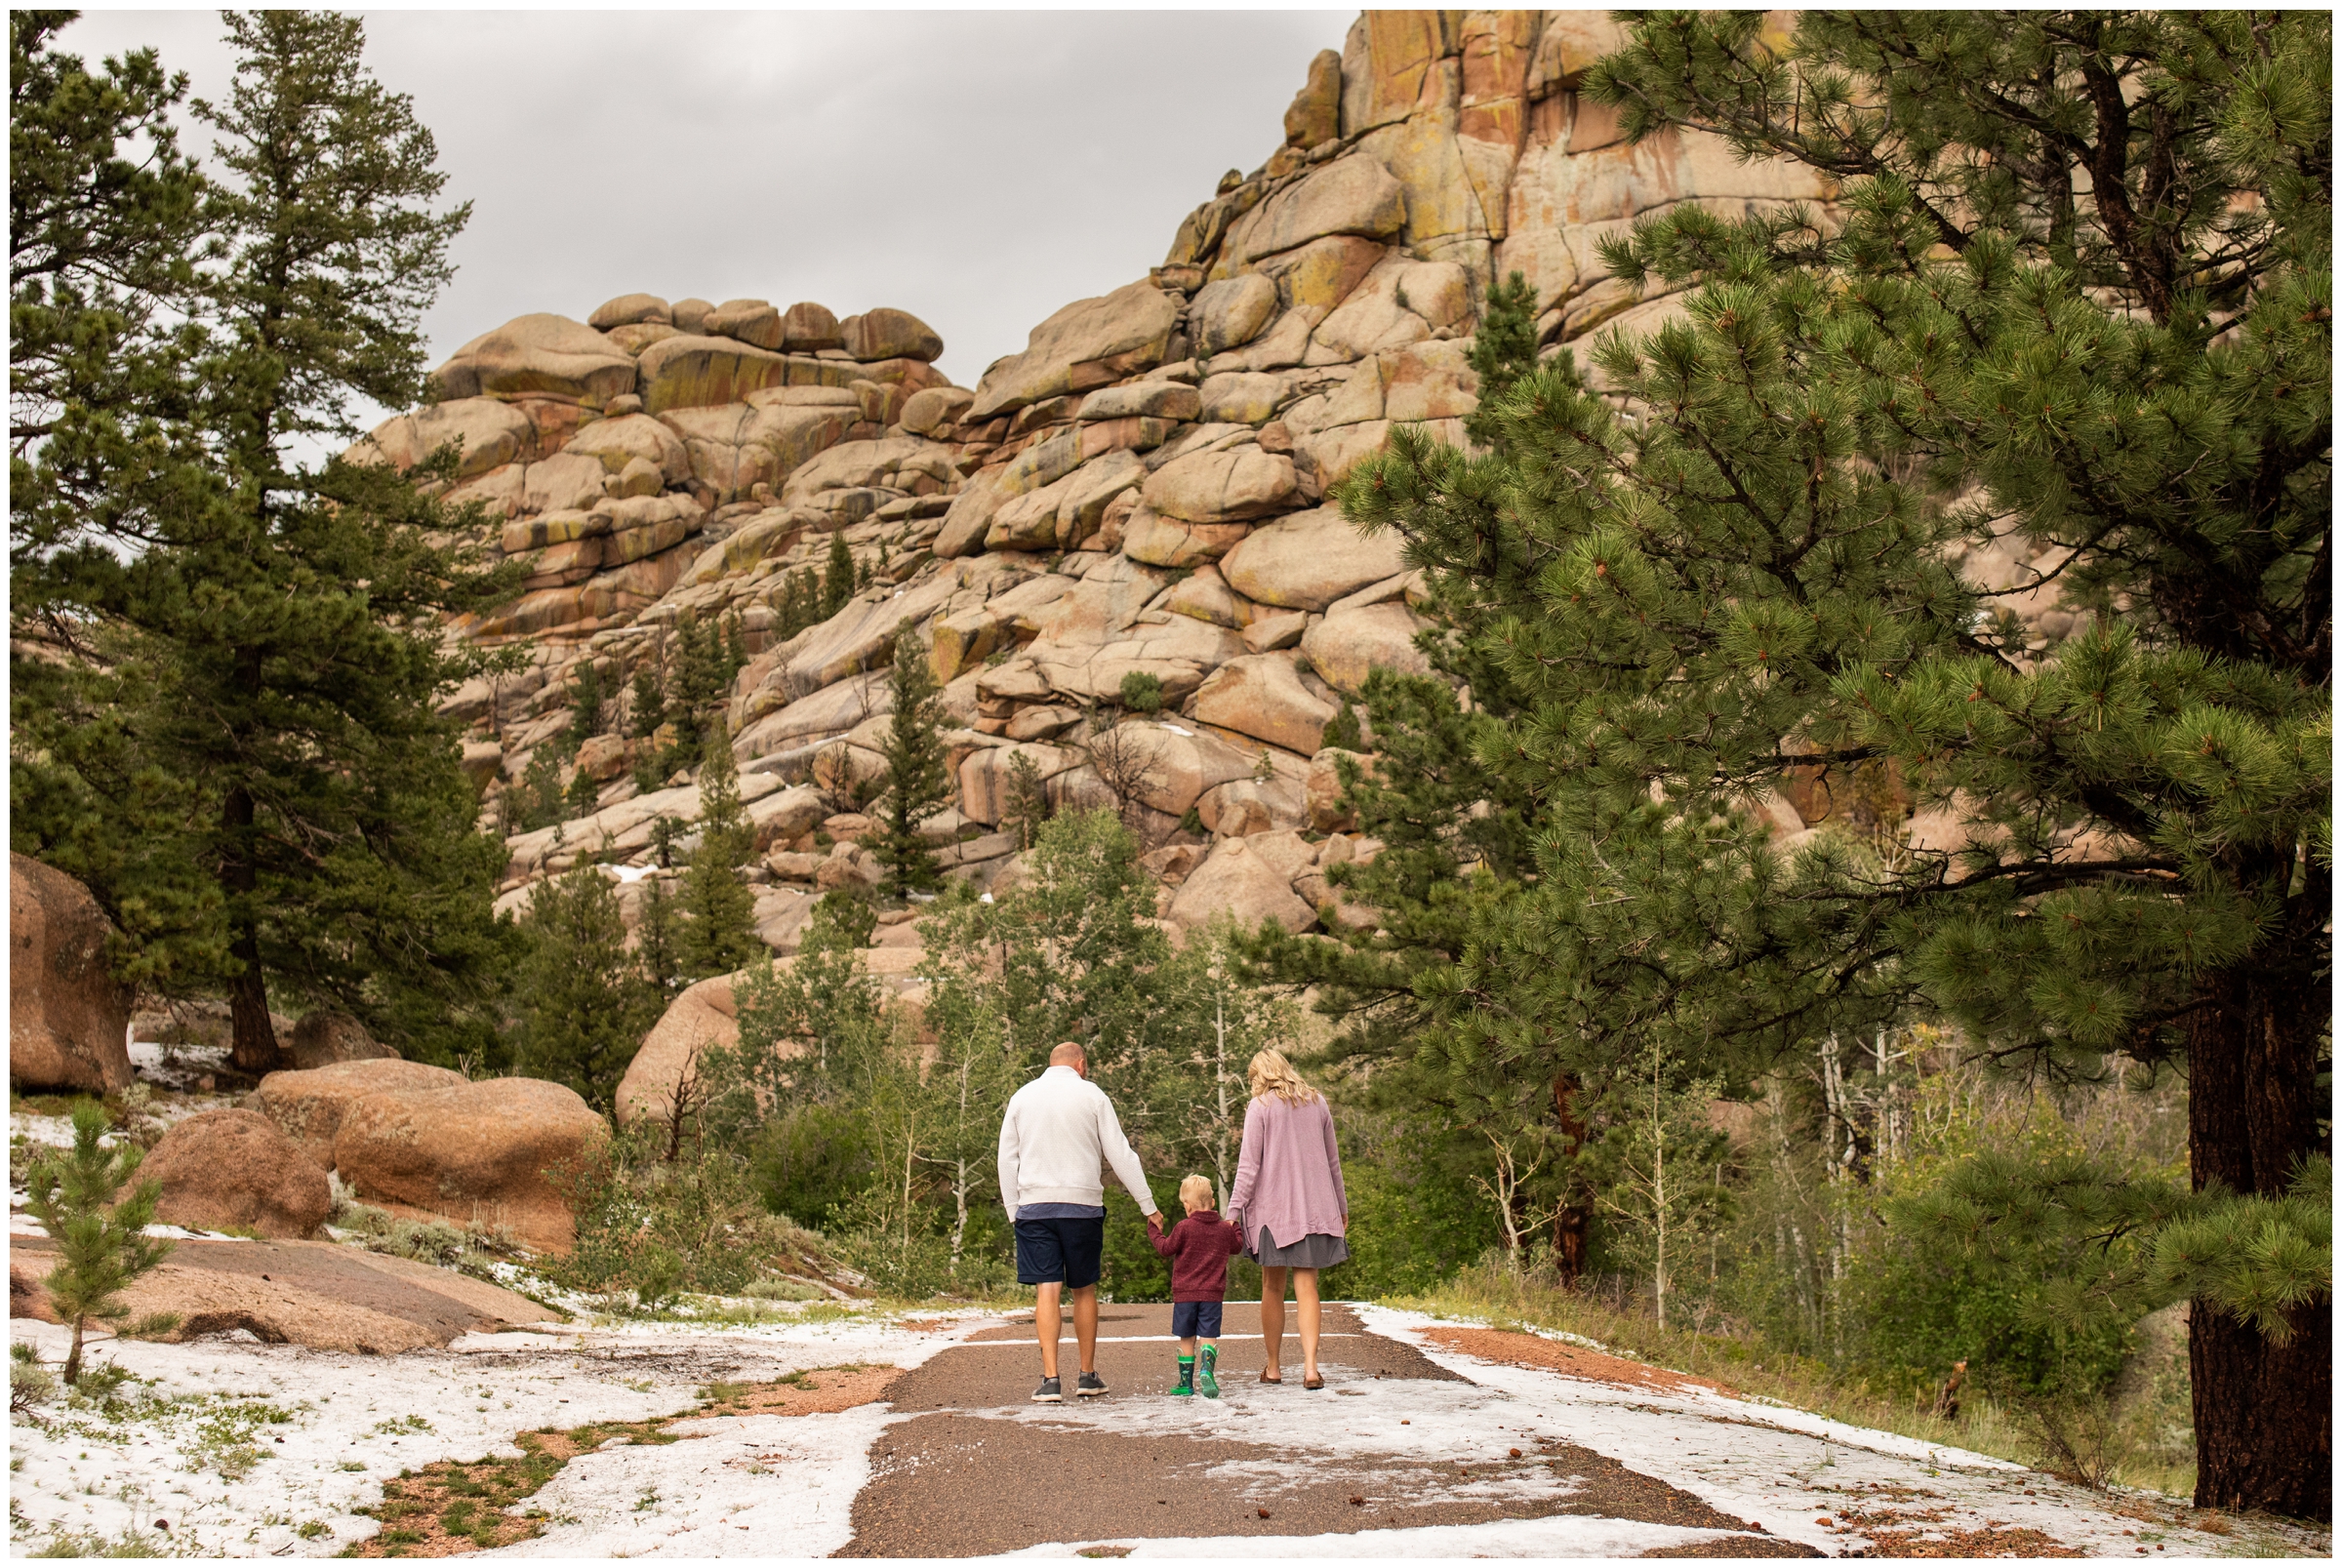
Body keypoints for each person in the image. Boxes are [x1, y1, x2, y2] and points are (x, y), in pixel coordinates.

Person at [997, 1039, 1162, 1402]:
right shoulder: (1092, 1096)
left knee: (1048, 1289)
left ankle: (1050, 1380)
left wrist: (1014, 1210)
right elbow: (1120, 1153)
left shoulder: (1022, 1097)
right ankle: (1087, 1376)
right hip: (1081, 1206)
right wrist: (1147, 1205)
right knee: (1083, 1289)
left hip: (1035, 1207)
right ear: (1081, 1064)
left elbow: (1006, 1159)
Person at [1226, 1048, 1348, 1390]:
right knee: (1307, 1286)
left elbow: (1248, 1167)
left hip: (1272, 1215)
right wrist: (1341, 1207)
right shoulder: (1318, 1102)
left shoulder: (1260, 1107)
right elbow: (1332, 1160)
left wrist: (1232, 1213)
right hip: (1314, 1210)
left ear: (1260, 1076)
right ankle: (1311, 1368)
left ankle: (1274, 1367)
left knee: (1272, 1286)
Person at [1147, 1175, 1244, 1398]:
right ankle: (1207, 1370)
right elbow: (1237, 1247)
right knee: (1208, 1335)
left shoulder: (1183, 1227)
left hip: (1185, 1294)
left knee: (1187, 1337)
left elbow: (1165, 1248)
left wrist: (1154, 1230)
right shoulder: (1223, 1229)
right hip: (1213, 1294)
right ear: (1211, 1203)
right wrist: (1235, 1226)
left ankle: (1185, 1383)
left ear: (1187, 1205)